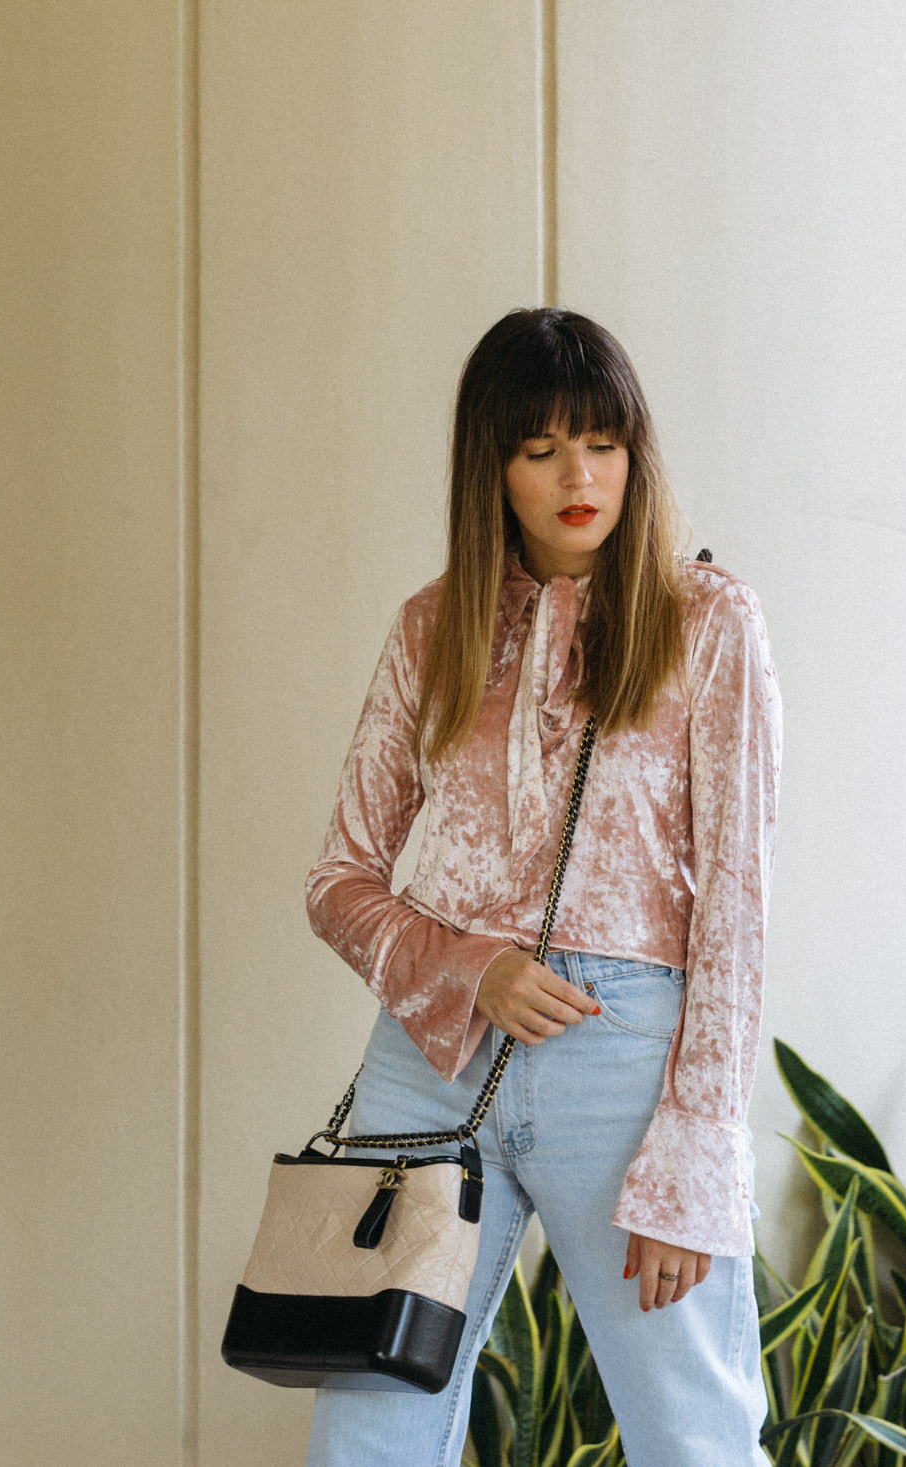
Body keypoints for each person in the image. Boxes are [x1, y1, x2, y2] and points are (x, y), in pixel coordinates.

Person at [300, 306, 781, 1466]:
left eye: (603, 443)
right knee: (368, 1437)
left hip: (622, 1071)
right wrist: (475, 968)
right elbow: (339, 880)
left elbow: (736, 910)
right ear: (492, 467)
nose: (580, 475)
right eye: (541, 449)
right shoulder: (433, 629)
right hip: (426, 1070)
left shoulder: (706, 622)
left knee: (690, 1434)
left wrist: (696, 1152)